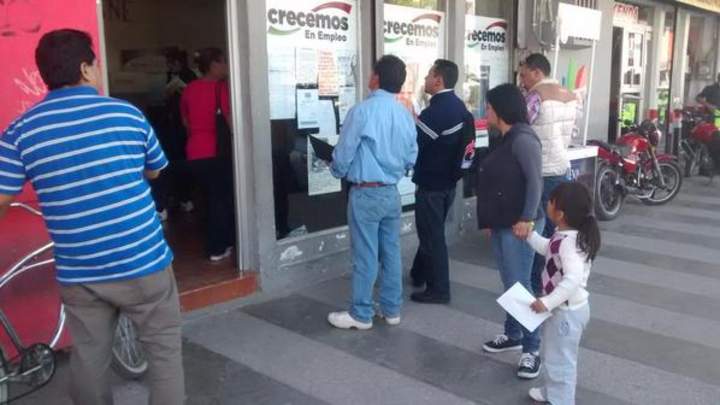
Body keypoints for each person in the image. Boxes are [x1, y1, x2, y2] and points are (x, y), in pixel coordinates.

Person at [0, 29, 184, 404]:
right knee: (164, 355)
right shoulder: (127, 114)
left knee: (88, 359)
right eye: (96, 64)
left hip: (80, 271)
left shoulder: (21, 131)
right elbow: (154, 170)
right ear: (85, 69)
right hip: (143, 261)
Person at [327, 55, 418, 330]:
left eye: (371, 72)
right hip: (391, 192)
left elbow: (344, 153)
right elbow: (412, 156)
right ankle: (391, 310)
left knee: (365, 255)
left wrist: (336, 170)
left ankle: (361, 314)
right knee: (391, 252)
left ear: (376, 77)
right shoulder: (405, 114)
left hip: (365, 193)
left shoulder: (361, 111)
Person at [475, 83, 545, 378]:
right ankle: (513, 334)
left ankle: (532, 349)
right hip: (504, 222)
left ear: (502, 109)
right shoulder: (504, 137)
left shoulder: (524, 139)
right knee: (510, 283)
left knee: (519, 285)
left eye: (490, 107)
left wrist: (526, 219)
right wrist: (492, 220)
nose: (486, 111)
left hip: (519, 224)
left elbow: (535, 182)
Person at [524, 182, 600, 404]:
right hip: (563, 310)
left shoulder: (569, 243)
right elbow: (548, 248)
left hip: (567, 312)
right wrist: (529, 236)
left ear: (560, 213)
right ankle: (551, 392)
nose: (547, 203)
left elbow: (572, 280)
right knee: (554, 354)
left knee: (562, 361)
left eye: (551, 201)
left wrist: (547, 302)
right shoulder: (563, 236)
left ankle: (562, 400)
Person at [409, 59, 472, 304]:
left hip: (431, 185)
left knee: (432, 237)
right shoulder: (458, 106)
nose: (425, 79)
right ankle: (418, 273)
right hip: (448, 184)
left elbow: (414, 144)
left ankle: (439, 290)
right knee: (431, 231)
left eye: (428, 74)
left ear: (438, 80)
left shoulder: (436, 112)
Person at [518, 53, 577, 295]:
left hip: (540, 171)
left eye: (524, 75)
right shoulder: (570, 96)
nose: (522, 81)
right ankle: (552, 282)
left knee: (538, 232)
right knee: (557, 231)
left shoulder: (536, 96)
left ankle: (534, 285)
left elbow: (521, 126)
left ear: (537, 72)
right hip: (561, 167)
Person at [181, 47, 236, 262]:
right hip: (216, 151)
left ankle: (216, 241)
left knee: (206, 199)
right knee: (220, 200)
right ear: (213, 65)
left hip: (194, 151)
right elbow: (230, 120)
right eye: (223, 62)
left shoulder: (189, 89)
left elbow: (185, 121)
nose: (226, 66)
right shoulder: (222, 88)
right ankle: (217, 247)